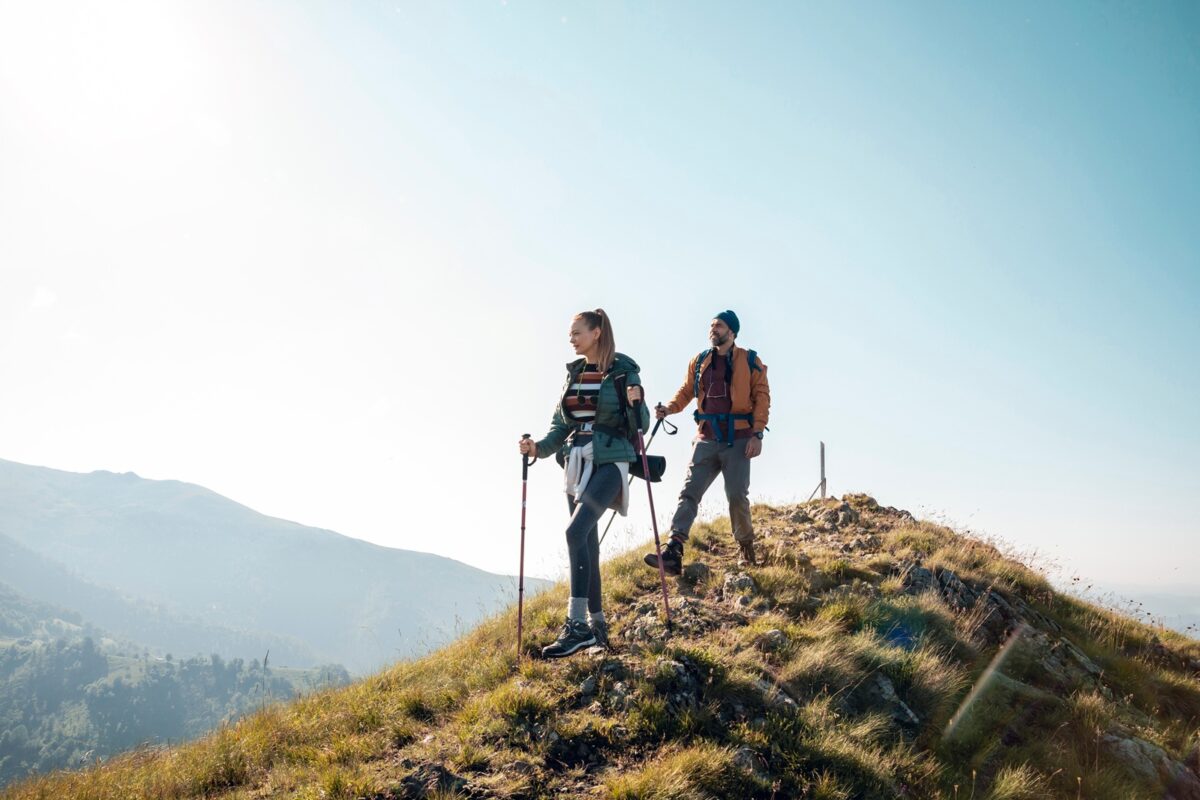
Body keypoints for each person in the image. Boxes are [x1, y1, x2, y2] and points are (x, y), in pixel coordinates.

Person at [519, 309, 649, 658]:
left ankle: (576, 627)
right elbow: (560, 426)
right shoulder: (574, 375)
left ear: (597, 332)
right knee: (588, 544)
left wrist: (637, 403)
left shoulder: (623, 370)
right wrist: (537, 449)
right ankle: (598, 626)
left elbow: (642, 422)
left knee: (575, 533)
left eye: (577, 332)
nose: (571, 339)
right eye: (570, 334)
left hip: (610, 460)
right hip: (576, 462)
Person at [644, 309, 770, 575]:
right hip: (705, 437)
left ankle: (746, 546)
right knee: (689, 493)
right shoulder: (700, 361)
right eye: (712, 326)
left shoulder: (750, 360)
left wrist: (757, 434)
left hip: (738, 438)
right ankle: (673, 549)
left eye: (719, 326)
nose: (713, 329)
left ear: (732, 332)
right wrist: (669, 407)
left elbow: (762, 397)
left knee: (736, 496)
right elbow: (686, 391)